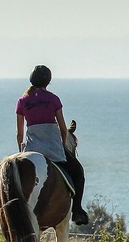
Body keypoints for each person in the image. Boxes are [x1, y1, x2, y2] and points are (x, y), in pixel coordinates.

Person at [16, 64, 88, 225]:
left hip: (31, 149)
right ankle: (77, 211)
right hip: (53, 148)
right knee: (78, 172)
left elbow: (20, 134)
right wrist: (61, 147)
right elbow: (63, 129)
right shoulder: (54, 99)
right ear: (48, 81)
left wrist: (21, 152)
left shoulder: (22, 101)